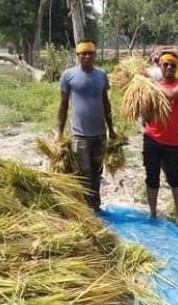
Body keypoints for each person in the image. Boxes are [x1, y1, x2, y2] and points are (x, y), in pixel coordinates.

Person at [57, 39, 116, 212]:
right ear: (78, 56)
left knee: (97, 172)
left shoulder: (101, 75)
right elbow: (63, 105)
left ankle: (95, 205)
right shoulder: (68, 75)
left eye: (90, 53)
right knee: (83, 173)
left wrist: (111, 129)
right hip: (79, 135)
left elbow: (106, 103)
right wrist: (59, 132)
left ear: (95, 55)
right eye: (83, 53)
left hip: (99, 134)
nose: (87, 56)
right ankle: (84, 207)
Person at [143, 52, 178, 227]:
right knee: (152, 177)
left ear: (176, 67)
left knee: (174, 178)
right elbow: (146, 114)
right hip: (151, 139)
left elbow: (171, 95)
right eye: (165, 65)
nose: (169, 68)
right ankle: (153, 213)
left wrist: (150, 81)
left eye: (172, 65)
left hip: (172, 141)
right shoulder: (153, 87)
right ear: (160, 66)